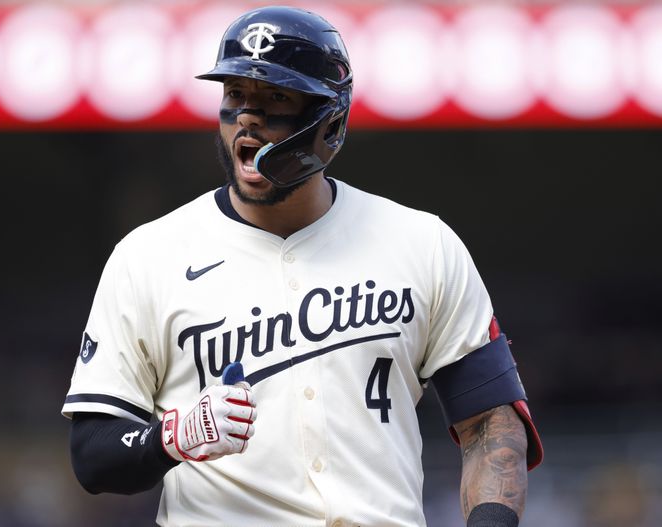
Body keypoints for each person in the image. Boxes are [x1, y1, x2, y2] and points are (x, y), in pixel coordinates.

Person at [62, 6, 543, 526]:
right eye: (235, 94)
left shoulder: (423, 243)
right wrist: (172, 437)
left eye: (275, 98)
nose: (247, 116)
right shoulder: (149, 255)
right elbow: (94, 454)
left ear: (328, 118)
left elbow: (492, 422)